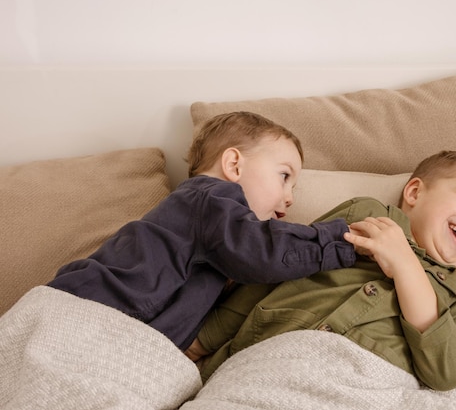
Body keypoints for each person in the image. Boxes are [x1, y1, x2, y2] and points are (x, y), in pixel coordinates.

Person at [185, 150, 456, 391]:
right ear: (414, 192)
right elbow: (282, 265)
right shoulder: (368, 214)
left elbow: (448, 373)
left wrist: (406, 266)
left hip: (367, 385)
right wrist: (204, 339)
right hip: (276, 354)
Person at [47, 111, 356, 351]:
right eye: (284, 176)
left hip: (118, 334)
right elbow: (262, 251)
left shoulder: (212, 225)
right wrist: (342, 241)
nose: (290, 197)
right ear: (234, 165)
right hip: (81, 309)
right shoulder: (211, 198)